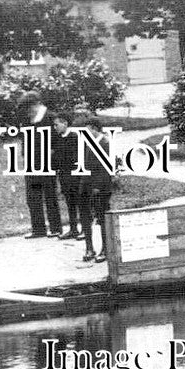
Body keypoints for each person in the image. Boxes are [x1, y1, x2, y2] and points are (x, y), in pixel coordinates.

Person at [17, 91, 62, 238]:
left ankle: (55, 228)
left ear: (36, 104)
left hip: (47, 163)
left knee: (50, 195)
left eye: (29, 109)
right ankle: (38, 229)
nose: (27, 113)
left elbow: (58, 140)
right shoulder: (27, 119)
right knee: (32, 196)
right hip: (31, 163)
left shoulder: (50, 117)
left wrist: (52, 152)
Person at [74, 111, 114, 262]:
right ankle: (89, 248)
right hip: (85, 184)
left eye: (87, 129)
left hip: (101, 187)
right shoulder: (86, 142)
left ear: (94, 128)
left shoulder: (105, 143)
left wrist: (97, 186)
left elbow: (106, 168)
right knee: (85, 216)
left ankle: (106, 249)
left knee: (103, 218)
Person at [52, 110, 82, 240]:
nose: (55, 127)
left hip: (75, 175)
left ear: (65, 123)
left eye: (56, 124)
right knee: (69, 202)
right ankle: (73, 229)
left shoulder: (74, 137)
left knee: (80, 202)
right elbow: (56, 157)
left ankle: (85, 229)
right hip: (64, 175)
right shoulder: (58, 138)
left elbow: (76, 157)